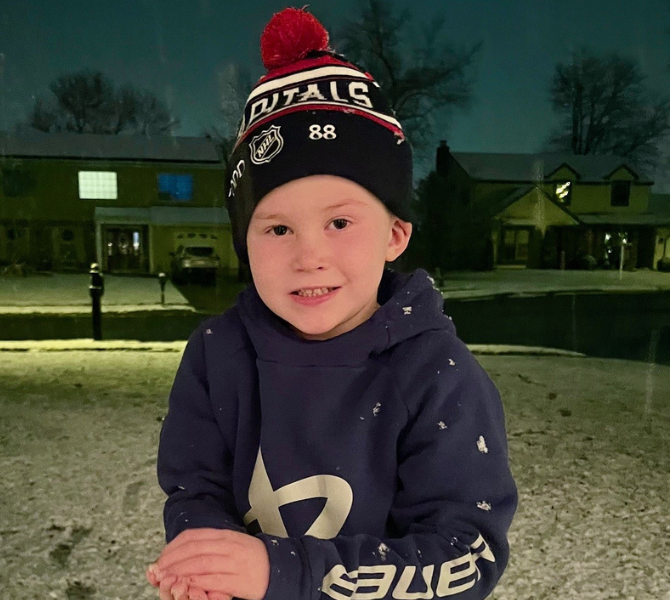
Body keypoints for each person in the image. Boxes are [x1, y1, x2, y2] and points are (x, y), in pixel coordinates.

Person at [147, 7, 518, 600]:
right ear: (245, 243)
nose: (308, 256)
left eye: (340, 221)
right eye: (276, 229)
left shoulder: (436, 376)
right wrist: (208, 560)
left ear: (395, 234)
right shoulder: (218, 356)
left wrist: (284, 571)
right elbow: (195, 490)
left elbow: (464, 556)